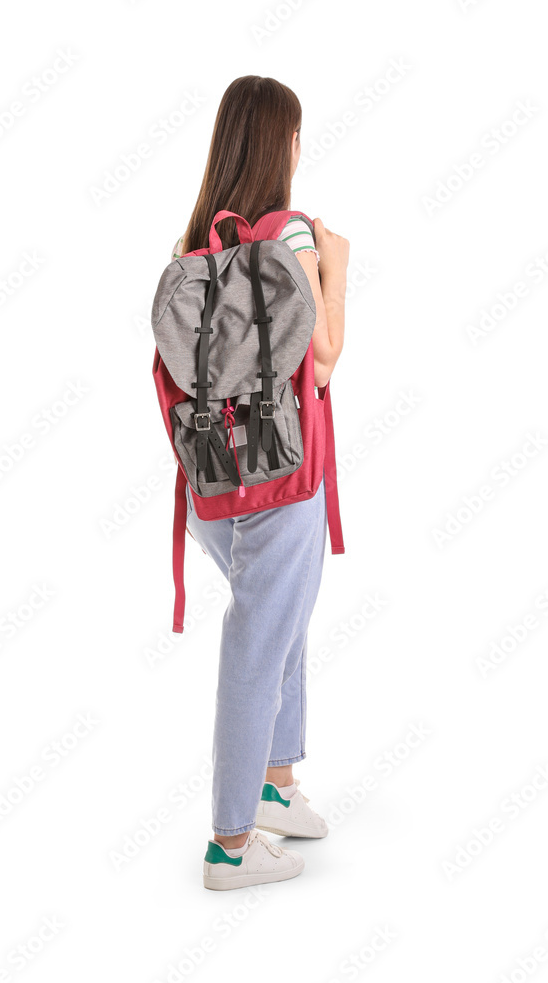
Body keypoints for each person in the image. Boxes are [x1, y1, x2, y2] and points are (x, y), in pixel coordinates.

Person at [171, 76, 349, 890]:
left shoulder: (193, 247)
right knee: (258, 638)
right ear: (284, 143)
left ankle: (275, 784)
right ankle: (230, 844)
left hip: (215, 476)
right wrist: (338, 265)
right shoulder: (293, 237)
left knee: (280, 617)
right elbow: (323, 355)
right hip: (288, 471)